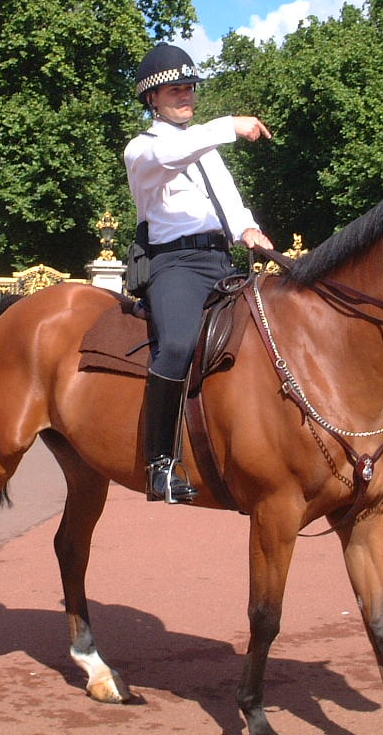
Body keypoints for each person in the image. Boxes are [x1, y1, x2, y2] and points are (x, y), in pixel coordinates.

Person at [123, 43, 272, 503]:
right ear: (152, 98)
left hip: (220, 259)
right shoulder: (143, 150)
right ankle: (160, 464)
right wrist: (229, 125)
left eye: (189, 87)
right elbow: (178, 152)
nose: (185, 95)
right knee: (178, 345)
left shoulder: (205, 149)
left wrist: (248, 227)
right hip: (175, 263)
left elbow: (225, 195)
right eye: (174, 89)